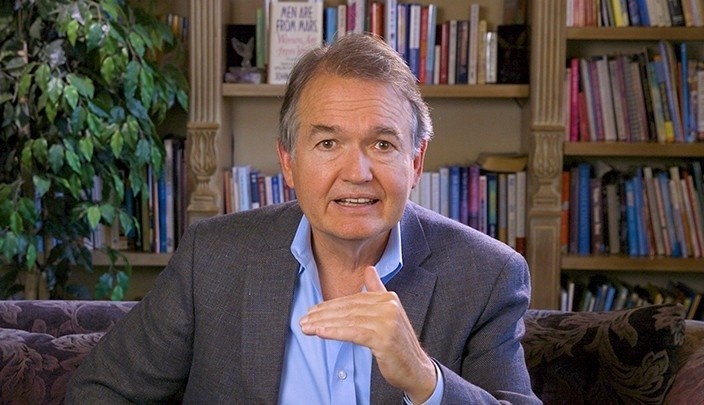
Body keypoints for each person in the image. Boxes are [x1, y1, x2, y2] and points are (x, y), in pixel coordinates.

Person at [66, 33, 541, 404]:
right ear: (289, 162)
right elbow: (102, 391)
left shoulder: (487, 275)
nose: (357, 173)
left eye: (382, 144)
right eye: (328, 143)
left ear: (415, 163)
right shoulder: (212, 258)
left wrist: (423, 378)